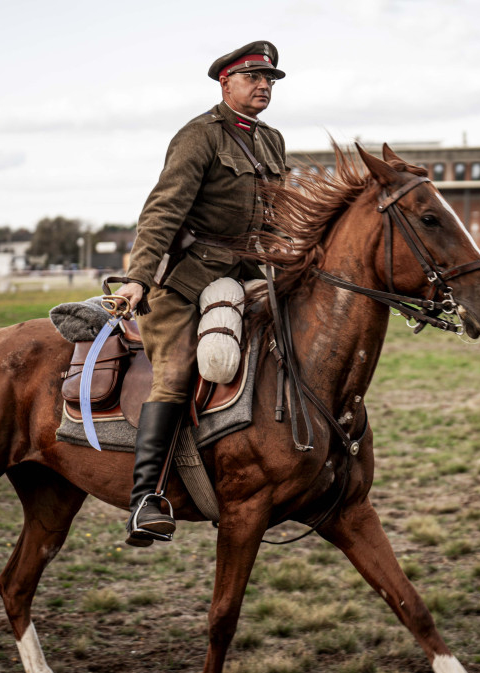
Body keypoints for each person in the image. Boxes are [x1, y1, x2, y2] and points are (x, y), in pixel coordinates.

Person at [115, 41, 288, 547]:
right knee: (176, 370)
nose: (264, 86)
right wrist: (138, 278)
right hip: (185, 283)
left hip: (250, 275)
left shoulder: (272, 141)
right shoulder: (199, 136)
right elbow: (162, 212)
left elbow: (277, 216)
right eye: (254, 77)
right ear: (225, 83)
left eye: (270, 80)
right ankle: (146, 499)